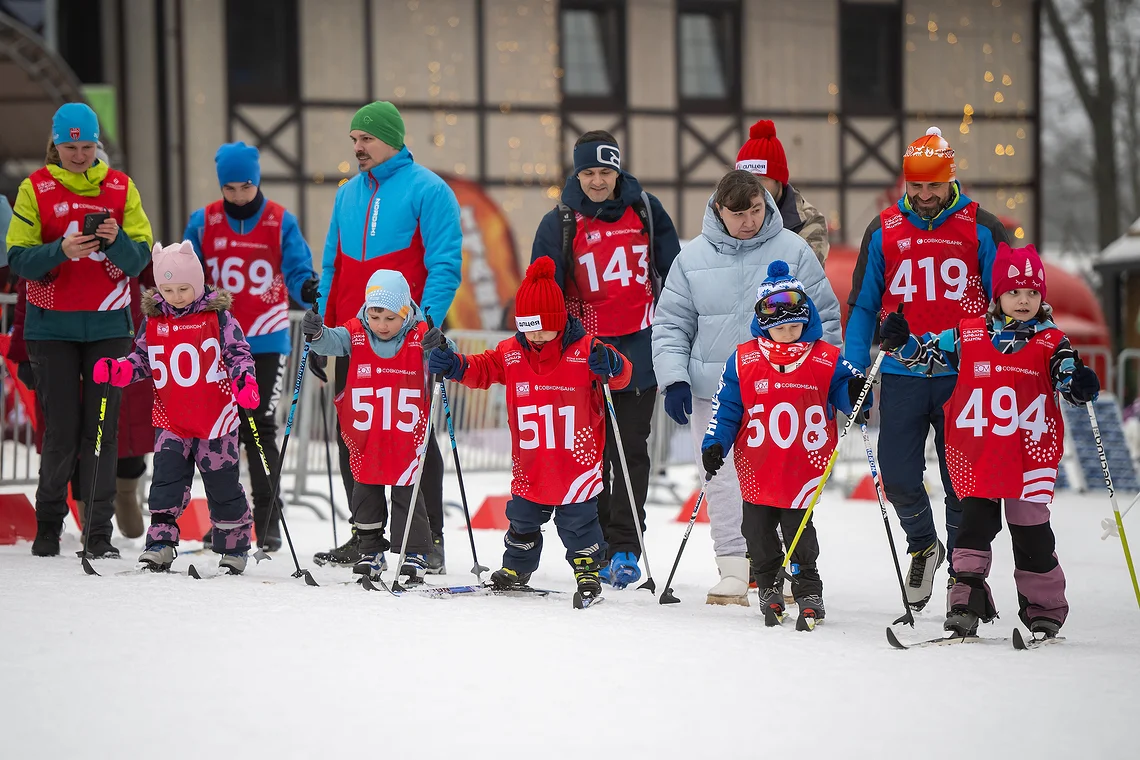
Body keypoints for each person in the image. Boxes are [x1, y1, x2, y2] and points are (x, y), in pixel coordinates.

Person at [879, 242, 1099, 638]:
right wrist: (903, 341)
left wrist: (1078, 384)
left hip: (1029, 455)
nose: (1023, 300)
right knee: (972, 528)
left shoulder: (1052, 342)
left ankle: (1044, 609)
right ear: (997, 294)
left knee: (1030, 531)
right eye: (1014, 292)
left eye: (1033, 292)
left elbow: (1068, 378)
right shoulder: (970, 334)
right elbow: (927, 356)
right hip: (978, 453)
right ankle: (966, 602)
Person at [653, 169, 841, 605]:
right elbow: (670, 324)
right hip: (712, 387)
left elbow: (825, 318)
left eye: (756, 210)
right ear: (718, 210)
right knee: (720, 477)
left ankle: (788, 566)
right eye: (738, 214)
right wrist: (674, 378)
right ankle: (735, 568)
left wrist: (827, 378)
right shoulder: (692, 258)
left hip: (785, 389)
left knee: (783, 476)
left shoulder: (793, 251)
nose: (749, 221)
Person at [844, 126, 1011, 611]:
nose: (922, 197)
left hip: (966, 375)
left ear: (950, 180)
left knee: (963, 479)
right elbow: (862, 305)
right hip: (901, 372)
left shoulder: (982, 226)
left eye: (931, 187)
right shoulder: (883, 229)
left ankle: (965, 569)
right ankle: (924, 544)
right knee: (896, 475)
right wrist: (854, 366)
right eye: (914, 187)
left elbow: (1006, 303)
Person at [426, 257, 632, 602]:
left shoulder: (586, 350)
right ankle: (517, 567)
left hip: (575, 463)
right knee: (522, 519)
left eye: (541, 326)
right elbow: (482, 368)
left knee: (579, 523)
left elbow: (623, 374)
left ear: (558, 320)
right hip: (531, 462)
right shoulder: (512, 353)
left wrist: (612, 364)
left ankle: (587, 569)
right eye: (526, 325)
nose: (534, 334)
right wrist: (455, 364)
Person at [314, 101, 461, 572]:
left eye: (366, 139)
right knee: (353, 432)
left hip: (407, 339)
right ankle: (366, 536)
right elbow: (332, 266)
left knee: (414, 437)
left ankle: (428, 539)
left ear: (392, 138)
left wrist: (427, 328)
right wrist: (322, 326)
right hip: (353, 338)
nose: (357, 148)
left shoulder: (429, 190)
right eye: (354, 140)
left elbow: (444, 264)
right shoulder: (347, 194)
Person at [529, 129, 681, 588]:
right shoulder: (560, 220)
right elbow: (542, 290)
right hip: (585, 354)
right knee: (590, 453)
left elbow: (675, 276)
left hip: (640, 349)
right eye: (589, 172)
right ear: (577, 173)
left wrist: (678, 336)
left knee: (630, 449)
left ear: (619, 169)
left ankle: (627, 545)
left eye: (606, 171)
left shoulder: (647, 211)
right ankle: (593, 544)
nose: (598, 181)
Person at [5, 103, 152, 558]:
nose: (80, 155)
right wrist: (60, 250)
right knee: (63, 432)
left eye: (87, 146)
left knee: (102, 431)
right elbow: (18, 259)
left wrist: (114, 240)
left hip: (109, 327)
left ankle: (98, 531)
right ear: (55, 144)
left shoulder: (121, 187)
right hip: (52, 330)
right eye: (70, 147)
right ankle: (48, 522)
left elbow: (140, 260)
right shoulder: (36, 188)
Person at [701, 261, 864, 625]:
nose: (788, 334)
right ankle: (770, 585)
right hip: (757, 465)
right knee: (756, 533)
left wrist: (856, 393)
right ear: (764, 325)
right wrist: (715, 443)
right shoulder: (744, 359)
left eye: (795, 326)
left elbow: (851, 396)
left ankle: (808, 591)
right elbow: (726, 408)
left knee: (799, 533)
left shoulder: (825, 357)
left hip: (802, 467)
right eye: (780, 328)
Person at [184, 142, 319, 551]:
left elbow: (297, 269)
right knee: (217, 431)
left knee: (259, 424)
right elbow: (187, 272)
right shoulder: (204, 221)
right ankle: (227, 520)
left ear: (256, 181)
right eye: (230, 189)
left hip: (265, 337)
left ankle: (268, 519)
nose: (239, 196)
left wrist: (307, 286)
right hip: (216, 339)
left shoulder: (279, 220)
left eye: (245, 186)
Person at [95, 241, 260, 574]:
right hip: (171, 419)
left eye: (183, 288)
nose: (176, 296)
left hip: (215, 419)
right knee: (166, 482)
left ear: (197, 282)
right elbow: (142, 358)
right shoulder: (154, 320)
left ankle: (234, 546)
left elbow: (238, 354)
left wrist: (245, 382)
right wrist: (120, 370)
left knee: (222, 484)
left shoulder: (218, 317)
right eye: (168, 289)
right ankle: (161, 543)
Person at [299, 269, 436, 585]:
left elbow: (447, 352)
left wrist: (439, 343)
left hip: (404, 437)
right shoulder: (356, 332)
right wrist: (317, 333)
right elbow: (330, 342)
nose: (382, 326)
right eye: (375, 316)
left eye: (390, 318)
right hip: (365, 436)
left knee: (407, 494)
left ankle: (413, 554)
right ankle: (370, 549)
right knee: (365, 493)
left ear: (405, 312)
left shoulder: (417, 336)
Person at [736, 120, 830, 264]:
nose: (749, 189)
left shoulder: (808, 221)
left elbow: (803, 275)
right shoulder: (727, 213)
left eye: (759, 180)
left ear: (778, 180)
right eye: (743, 181)